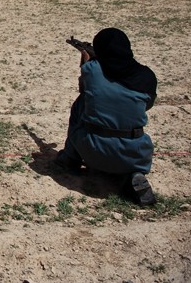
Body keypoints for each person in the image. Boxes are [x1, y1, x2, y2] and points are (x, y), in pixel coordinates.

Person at [54, 28, 158, 206]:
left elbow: (85, 87)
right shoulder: (146, 76)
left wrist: (85, 58)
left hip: (91, 149)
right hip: (135, 153)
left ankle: (71, 159)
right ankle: (134, 174)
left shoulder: (93, 70)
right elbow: (146, 106)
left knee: (81, 103)